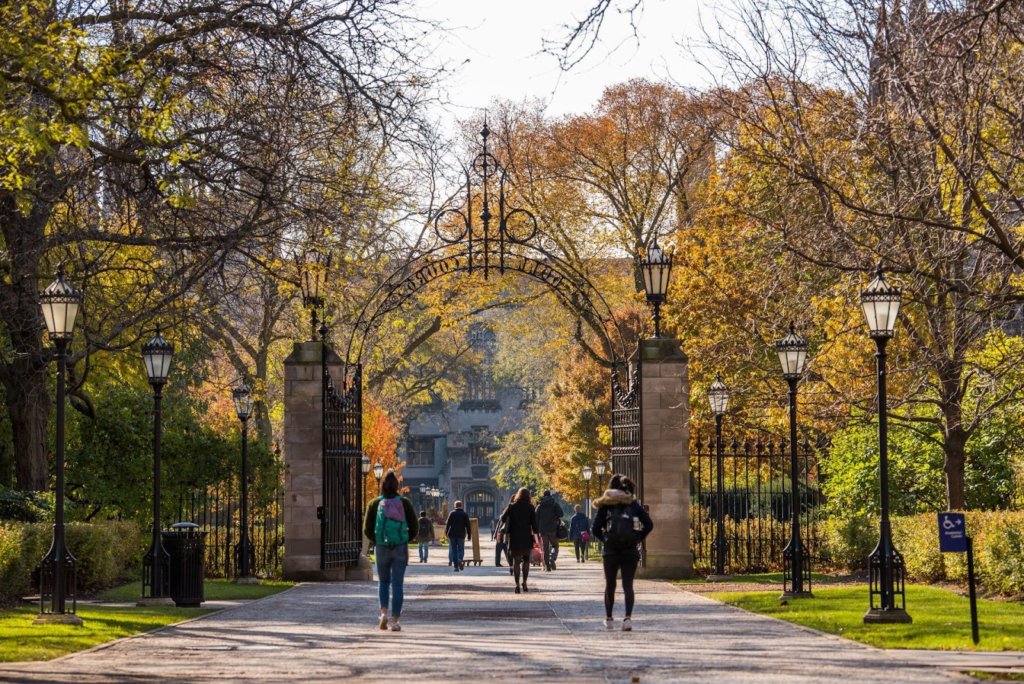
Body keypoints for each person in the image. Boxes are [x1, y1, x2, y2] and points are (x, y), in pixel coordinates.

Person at [592, 475, 653, 632]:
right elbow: (649, 524)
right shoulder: (632, 503)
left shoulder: (606, 504)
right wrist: (637, 538)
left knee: (610, 585)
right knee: (628, 586)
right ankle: (627, 619)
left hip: (610, 551)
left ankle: (609, 618)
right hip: (630, 550)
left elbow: (595, 528)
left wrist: (606, 539)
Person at [363, 470, 418, 632]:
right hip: (400, 546)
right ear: (397, 486)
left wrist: (377, 541)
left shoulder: (374, 503)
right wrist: (404, 539)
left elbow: (367, 528)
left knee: (383, 581)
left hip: (382, 546)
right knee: (398, 584)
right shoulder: (404, 502)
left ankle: (383, 613)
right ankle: (395, 621)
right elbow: (414, 527)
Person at [499, 487, 539, 593]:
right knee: (526, 560)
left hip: (515, 535)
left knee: (516, 561)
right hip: (526, 535)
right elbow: (534, 525)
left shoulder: (512, 506)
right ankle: (524, 582)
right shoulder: (530, 508)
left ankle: (516, 584)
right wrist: (536, 539)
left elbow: (502, 518)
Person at [535, 489, 563, 571]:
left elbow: (536, 517)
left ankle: (547, 565)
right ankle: (552, 557)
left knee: (545, 547)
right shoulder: (554, 504)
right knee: (555, 545)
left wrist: (537, 528)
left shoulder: (540, 506)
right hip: (553, 528)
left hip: (543, 529)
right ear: (550, 495)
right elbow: (561, 514)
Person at [444, 500, 471, 572]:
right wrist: (469, 535)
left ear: (455, 506)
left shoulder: (452, 513)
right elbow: (468, 526)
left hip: (452, 534)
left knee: (454, 550)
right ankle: (460, 559)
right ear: (461, 506)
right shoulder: (465, 514)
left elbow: (448, 524)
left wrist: (446, 533)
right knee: (461, 549)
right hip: (461, 534)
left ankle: (456, 567)